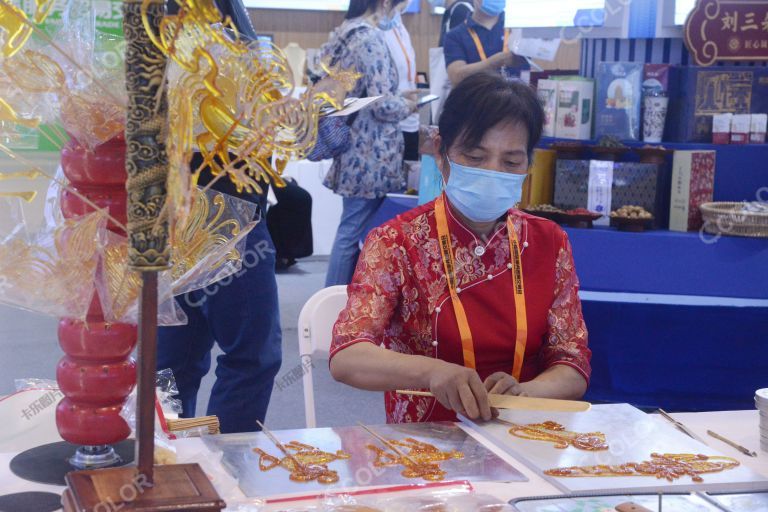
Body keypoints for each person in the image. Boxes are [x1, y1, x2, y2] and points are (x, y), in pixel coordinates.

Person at [329, 72, 591, 424]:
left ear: (528, 165)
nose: (492, 172)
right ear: (441, 152)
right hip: (425, 449)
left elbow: (572, 363)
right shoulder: (397, 242)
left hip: (522, 437)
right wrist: (432, 373)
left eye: (511, 162)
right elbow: (348, 356)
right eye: (475, 156)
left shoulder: (549, 241)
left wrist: (526, 393)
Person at [158, 0, 282, 434]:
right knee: (250, 355)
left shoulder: (207, 16)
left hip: (185, 204)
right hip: (223, 207)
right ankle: (222, 466)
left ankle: (166, 459)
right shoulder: (187, 24)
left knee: (175, 357)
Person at [323, 0, 419, 287]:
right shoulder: (371, 39)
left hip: (352, 148)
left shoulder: (344, 32)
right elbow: (382, 106)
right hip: (370, 153)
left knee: (351, 229)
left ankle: (336, 297)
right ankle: (334, 300)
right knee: (351, 232)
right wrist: (410, 103)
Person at [443, 0, 528, 86]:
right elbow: (456, 77)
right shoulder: (455, 35)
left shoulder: (519, 27)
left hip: (519, 97)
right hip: (477, 97)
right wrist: (493, 63)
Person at [380, 3, 419, 163]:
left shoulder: (398, 24)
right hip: (389, 122)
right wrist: (398, 97)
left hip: (410, 119)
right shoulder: (374, 32)